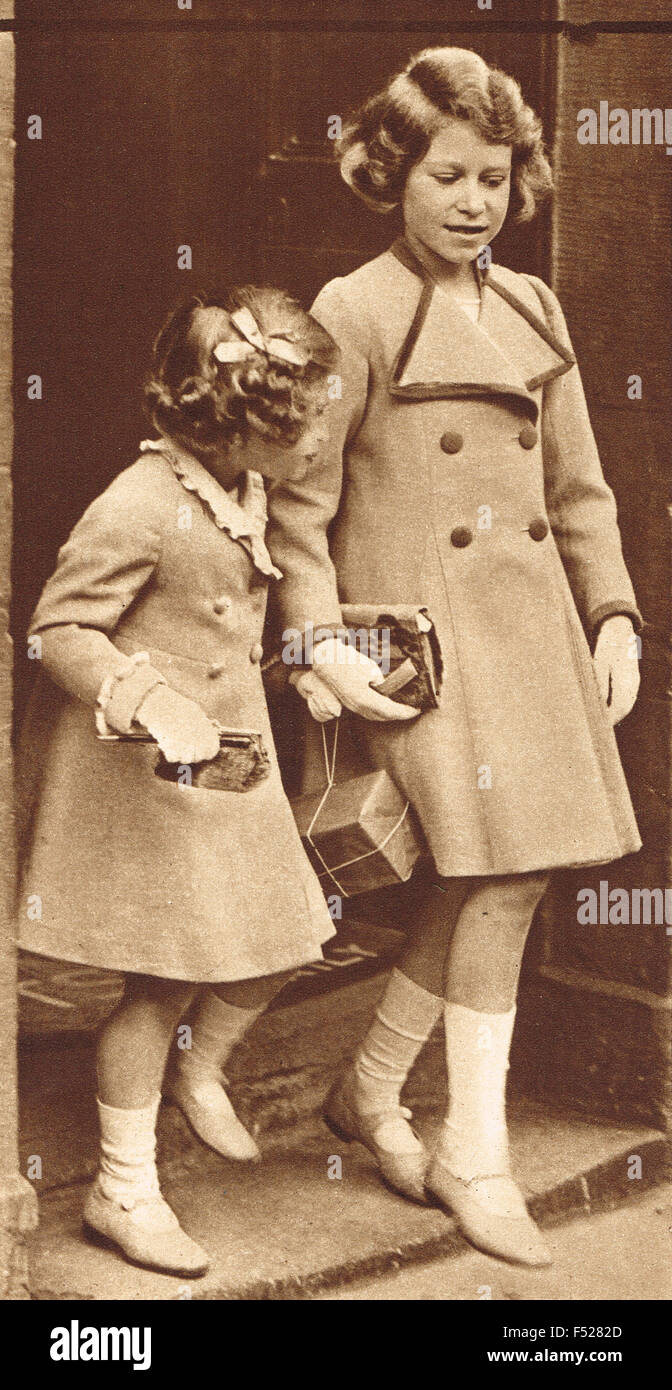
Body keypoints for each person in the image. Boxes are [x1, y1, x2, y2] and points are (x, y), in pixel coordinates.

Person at [266, 47, 642, 1266]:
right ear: (392, 174)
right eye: (446, 176)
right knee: (499, 877)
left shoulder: (536, 307)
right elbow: (299, 509)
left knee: (494, 878)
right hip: (419, 650)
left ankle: (367, 1097)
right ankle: (474, 1152)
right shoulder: (353, 307)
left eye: (494, 177)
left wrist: (617, 613)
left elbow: (579, 489)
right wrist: (318, 646)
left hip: (532, 637)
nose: (473, 202)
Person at [17, 286, 340, 1277]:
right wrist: (139, 693)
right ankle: (125, 1186)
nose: (326, 440)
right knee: (157, 984)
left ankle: (202, 1068)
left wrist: (320, 663)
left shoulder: (245, 490)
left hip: (232, 766)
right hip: (154, 775)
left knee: (290, 933)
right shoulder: (144, 503)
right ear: (246, 426)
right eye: (312, 423)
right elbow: (56, 627)